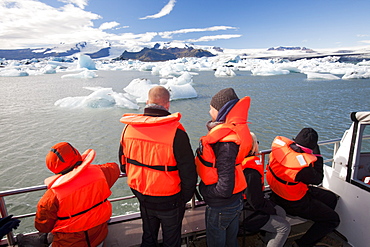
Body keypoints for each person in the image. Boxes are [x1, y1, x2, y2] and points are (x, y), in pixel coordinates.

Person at [119, 86, 197, 247]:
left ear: (147, 102)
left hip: (143, 196)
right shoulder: (177, 132)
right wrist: (184, 198)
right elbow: (189, 171)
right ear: (167, 105)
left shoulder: (128, 129)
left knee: (148, 236)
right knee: (171, 240)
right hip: (171, 200)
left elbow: (123, 164)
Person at [195, 88, 253, 247]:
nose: (209, 111)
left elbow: (225, 187)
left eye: (211, 108)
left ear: (221, 111)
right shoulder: (233, 132)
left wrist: (205, 191)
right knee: (230, 241)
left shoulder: (225, 142)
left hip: (222, 205)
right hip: (234, 200)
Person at [35, 142, 120, 247]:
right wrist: (88, 168)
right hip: (98, 237)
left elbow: (43, 227)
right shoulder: (100, 173)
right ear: (76, 154)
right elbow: (114, 168)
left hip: (69, 243)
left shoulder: (52, 195)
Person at [266, 128, 340, 247]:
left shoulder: (279, 151)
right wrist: (318, 156)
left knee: (331, 198)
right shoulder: (302, 167)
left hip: (278, 193)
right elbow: (317, 180)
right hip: (294, 202)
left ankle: (318, 230)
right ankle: (302, 244)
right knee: (333, 219)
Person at [240, 132, 290, 247]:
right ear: (252, 146)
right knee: (284, 227)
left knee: (281, 212)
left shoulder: (239, 162)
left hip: (242, 205)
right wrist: (270, 209)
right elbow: (255, 202)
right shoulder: (251, 172)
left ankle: (269, 242)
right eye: (257, 143)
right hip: (244, 213)